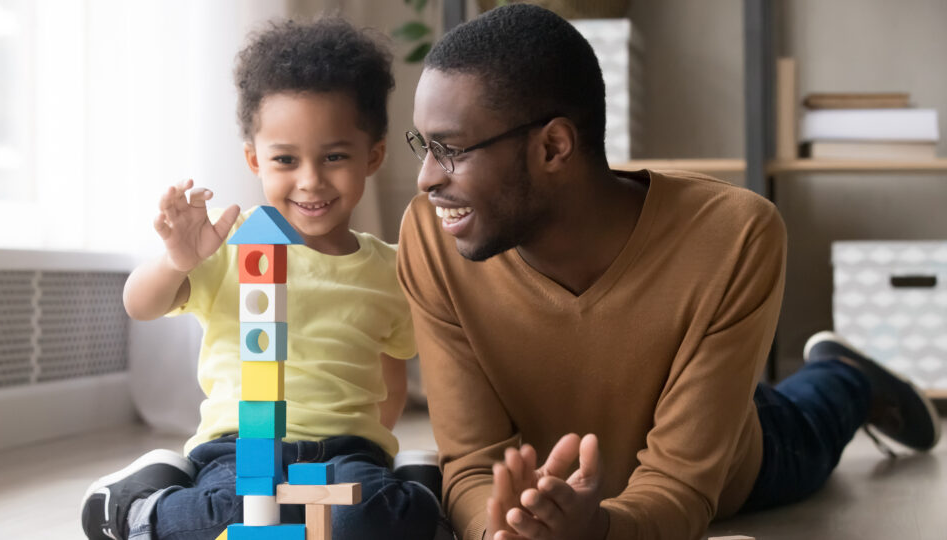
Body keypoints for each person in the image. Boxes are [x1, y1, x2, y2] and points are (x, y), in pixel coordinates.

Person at [395, 4, 941, 540]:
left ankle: (849, 375)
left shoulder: (733, 236)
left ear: (554, 147)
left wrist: (600, 529)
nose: (424, 179)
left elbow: (683, 489)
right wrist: (504, 533)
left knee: (811, 418)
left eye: (450, 149)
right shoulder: (431, 237)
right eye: (423, 144)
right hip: (573, 494)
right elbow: (470, 464)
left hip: (727, 466)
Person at [80, 17, 446, 540]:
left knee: (362, 519)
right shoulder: (229, 245)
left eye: (335, 157)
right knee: (224, 519)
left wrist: (375, 441)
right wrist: (176, 260)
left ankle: (416, 484)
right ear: (255, 159)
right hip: (237, 451)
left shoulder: (388, 268)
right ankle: (141, 505)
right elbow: (140, 304)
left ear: (374, 156)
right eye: (285, 160)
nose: (311, 180)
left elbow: (394, 370)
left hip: (345, 452)